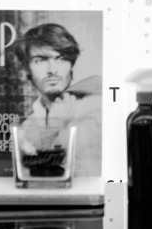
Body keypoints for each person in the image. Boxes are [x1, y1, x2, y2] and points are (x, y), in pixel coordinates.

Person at [14, 23, 102, 177]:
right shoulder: (25, 129)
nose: (52, 70)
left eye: (61, 58)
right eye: (40, 60)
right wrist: (55, 127)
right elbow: (37, 181)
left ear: (71, 63)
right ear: (27, 68)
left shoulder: (99, 109)